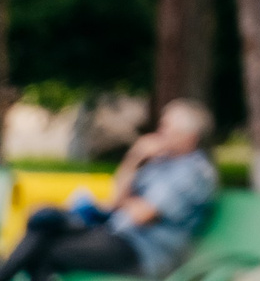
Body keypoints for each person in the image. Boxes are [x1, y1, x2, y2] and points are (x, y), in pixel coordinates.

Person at [0, 101, 220, 280]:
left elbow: (141, 215)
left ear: (190, 136)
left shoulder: (193, 173)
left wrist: (125, 202)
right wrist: (134, 158)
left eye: (167, 127)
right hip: (117, 234)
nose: (160, 132)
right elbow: (117, 198)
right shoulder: (162, 162)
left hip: (144, 252)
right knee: (43, 220)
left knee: (44, 245)